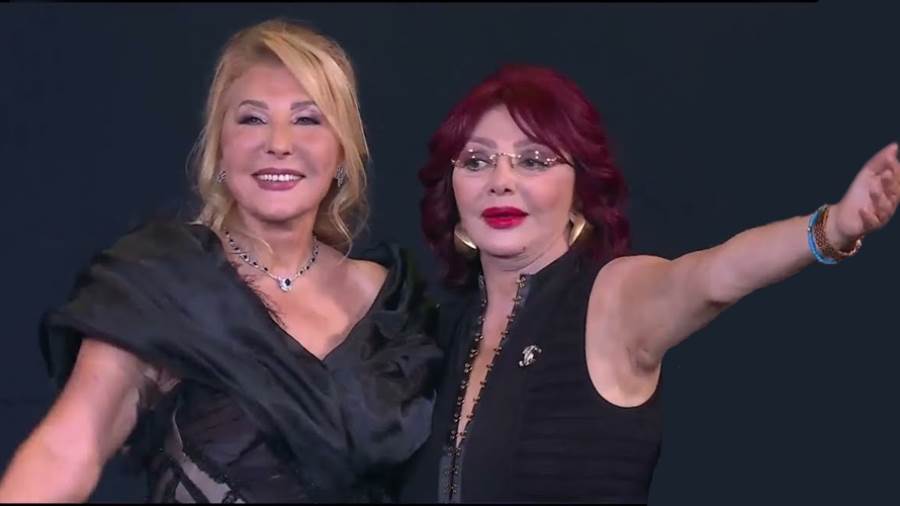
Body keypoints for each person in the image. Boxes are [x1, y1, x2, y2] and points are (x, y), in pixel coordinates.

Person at [399, 64, 900, 503]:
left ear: (580, 191)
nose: (500, 180)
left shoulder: (613, 300)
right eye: (477, 160)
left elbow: (715, 276)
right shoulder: (435, 329)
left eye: (533, 160)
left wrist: (831, 229)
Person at [0, 19, 441, 503]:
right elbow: (67, 450)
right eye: (252, 119)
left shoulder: (393, 305)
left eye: (307, 119)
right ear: (220, 147)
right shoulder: (164, 283)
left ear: (341, 152)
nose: (279, 143)